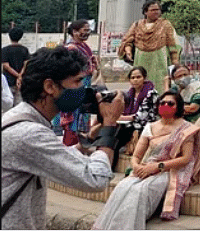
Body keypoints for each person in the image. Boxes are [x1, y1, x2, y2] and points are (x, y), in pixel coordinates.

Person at [1, 46, 125, 229]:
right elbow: (96, 179)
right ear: (49, 86)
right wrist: (109, 125)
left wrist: (87, 139)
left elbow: (52, 155)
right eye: (77, 81)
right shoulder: (29, 133)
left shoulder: (18, 119)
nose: (83, 88)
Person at [93, 90, 200, 229]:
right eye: (162, 103)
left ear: (178, 107)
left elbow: (186, 158)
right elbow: (136, 156)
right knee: (122, 186)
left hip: (168, 171)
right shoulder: (151, 127)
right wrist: (136, 167)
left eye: (170, 103)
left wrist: (158, 167)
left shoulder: (186, 129)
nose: (165, 105)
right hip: (145, 168)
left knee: (140, 190)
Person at [54, 19, 98, 145]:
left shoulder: (83, 46)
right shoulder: (71, 48)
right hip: (76, 84)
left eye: (88, 30)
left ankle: (79, 142)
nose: (87, 33)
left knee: (82, 112)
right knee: (73, 115)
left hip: (85, 84)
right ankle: (71, 144)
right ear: (74, 31)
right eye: (84, 30)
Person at [119, 0, 180, 92]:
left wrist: (175, 60)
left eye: (158, 9)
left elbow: (172, 44)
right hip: (141, 59)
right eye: (153, 10)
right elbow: (127, 41)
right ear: (145, 12)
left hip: (159, 60)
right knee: (140, 81)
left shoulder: (165, 24)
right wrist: (128, 51)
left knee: (159, 85)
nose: (156, 12)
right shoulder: (137, 25)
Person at [114, 66, 160, 170]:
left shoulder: (151, 93)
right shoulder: (130, 93)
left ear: (144, 78)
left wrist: (121, 118)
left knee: (120, 132)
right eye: (132, 77)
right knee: (112, 131)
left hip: (146, 124)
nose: (135, 80)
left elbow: (141, 116)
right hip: (130, 122)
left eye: (138, 77)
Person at [2, 27, 29, 107]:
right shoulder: (25, 50)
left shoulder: (4, 50)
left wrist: (17, 75)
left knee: (8, 106)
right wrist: (20, 76)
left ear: (9, 36)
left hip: (8, 81)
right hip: (21, 82)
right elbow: (26, 64)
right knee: (19, 106)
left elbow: (6, 66)